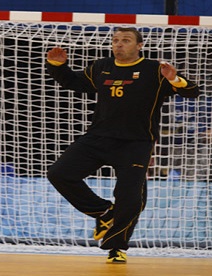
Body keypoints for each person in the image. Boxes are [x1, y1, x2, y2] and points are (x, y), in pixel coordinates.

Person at [45, 27, 200, 263]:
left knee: (130, 197)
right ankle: (104, 213)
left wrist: (174, 79)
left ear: (139, 46)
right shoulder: (101, 66)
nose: (118, 44)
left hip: (136, 143)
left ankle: (116, 247)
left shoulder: (154, 70)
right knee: (59, 173)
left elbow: (192, 92)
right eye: (115, 40)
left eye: (125, 40)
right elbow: (74, 83)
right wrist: (57, 66)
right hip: (98, 137)